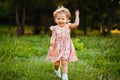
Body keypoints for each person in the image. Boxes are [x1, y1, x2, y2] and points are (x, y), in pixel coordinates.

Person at [46, 6, 80, 80]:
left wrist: (77, 15)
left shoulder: (68, 26)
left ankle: (65, 77)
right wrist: (52, 42)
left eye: (63, 19)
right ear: (55, 19)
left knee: (64, 62)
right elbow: (53, 36)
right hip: (56, 47)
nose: (60, 21)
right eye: (58, 19)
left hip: (66, 46)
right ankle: (57, 71)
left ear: (67, 19)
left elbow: (76, 24)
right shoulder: (54, 28)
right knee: (56, 63)